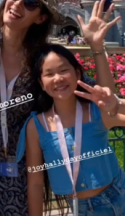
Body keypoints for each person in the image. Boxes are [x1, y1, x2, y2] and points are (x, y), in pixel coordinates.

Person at [0, 0, 119, 215]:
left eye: (31, 3)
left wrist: (97, 48)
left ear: (41, 17)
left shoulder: (45, 60)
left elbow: (103, 99)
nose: (17, 4)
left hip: (15, 175)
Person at [19, 42, 125, 216]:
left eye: (63, 70)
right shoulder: (36, 126)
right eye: (49, 74)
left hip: (119, 193)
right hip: (82, 209)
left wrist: (117, 103)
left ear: (77, 73)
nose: (58, 78)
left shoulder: (95, 111)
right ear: (41, 82)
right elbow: (36, 182)